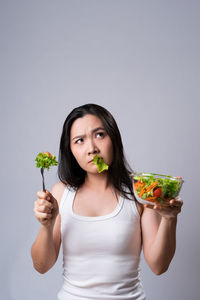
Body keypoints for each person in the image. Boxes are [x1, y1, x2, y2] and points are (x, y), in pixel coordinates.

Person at [31, 103, 183, 300]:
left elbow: (159, 266)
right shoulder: (60, 193)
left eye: (100, 135)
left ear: (114, 139)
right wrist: (46, 225)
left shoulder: (139, 190)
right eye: (79, 140)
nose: (92, 149)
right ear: (70, 150)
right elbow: (41, 266)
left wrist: (170, 219)